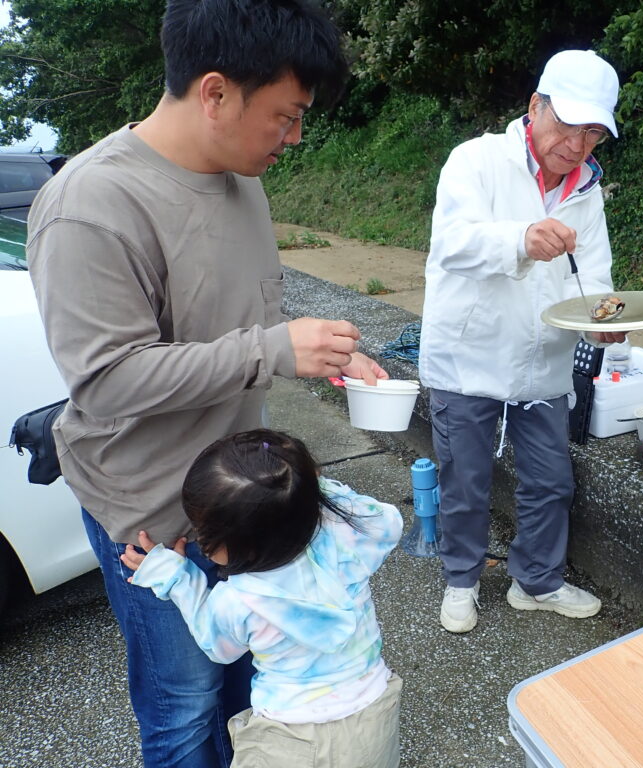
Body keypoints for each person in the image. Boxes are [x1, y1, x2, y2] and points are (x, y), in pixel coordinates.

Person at [26, 1, 386, 765]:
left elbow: (244, 316)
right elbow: (107, 379)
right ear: (216, 92)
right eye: (286, 117)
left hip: (245, 500)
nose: (294, 138)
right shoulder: (92, 205)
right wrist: (272, 349)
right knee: (186, 709)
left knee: (247, 689)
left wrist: (320, 351)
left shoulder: (240, 177)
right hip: (155, 512)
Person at [418, 50, 627, 633]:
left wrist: (604, 320)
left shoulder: (588, 190)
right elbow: (451, 244)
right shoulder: (476, 160)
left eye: (593, 132)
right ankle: (461, 581)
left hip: (544, 360)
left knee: (551, 482)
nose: (577, 145)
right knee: (465, 481)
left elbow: (594, 279)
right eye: (568, 125)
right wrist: (520, 240)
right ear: (535, 106)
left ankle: (536, 581)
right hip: (469, 355)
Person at [120, 429, 403, 768]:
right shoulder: (346, 534)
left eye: (204, 533)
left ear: (244, 544)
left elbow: (219, 647)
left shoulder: (240, 599)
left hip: (292, 738)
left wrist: (176, 577)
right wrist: (312, 490)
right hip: (374, 714)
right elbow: (389, 521)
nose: (201, 542)